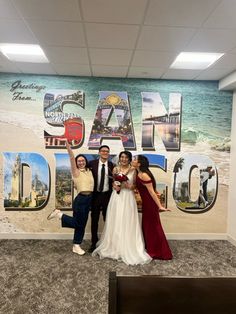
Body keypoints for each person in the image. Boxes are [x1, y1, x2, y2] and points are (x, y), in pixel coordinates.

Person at [92, 151, 151, 265]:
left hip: (128, 197)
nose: (123, 159)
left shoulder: (133, 170)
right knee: (116, 219)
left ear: (129, 159)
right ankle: (114, 246)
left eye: (126, 157)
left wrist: (129, 186)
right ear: (119, 158)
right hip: (116, 197)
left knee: (127, 220)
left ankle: (128, 246)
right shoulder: (115, 169)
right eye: (122, 157)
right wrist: (115, 185)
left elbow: (135, 185)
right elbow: (114, 183)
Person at [47, 141, 94, 255]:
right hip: (81, 200)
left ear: (85, 162)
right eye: (79, 161)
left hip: (89, 200)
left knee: (81, 224)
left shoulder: (89, 171)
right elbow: (72, 157)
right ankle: (59, 214)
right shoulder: (75, 172)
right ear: (76, 163)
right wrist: (68, 148)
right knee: (79, 224)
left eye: (83, 160)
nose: (81, 162)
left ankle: (76, 245)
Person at [132, 155, 172, 260]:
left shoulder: (144, 175)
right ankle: (151, 248)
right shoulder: (138, 172)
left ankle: (160, 252)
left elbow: (152, 192)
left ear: (139, 163)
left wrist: (160, 206)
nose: (133, 160)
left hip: (151, 204)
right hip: (146, 204)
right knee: (148, 227)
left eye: (135, 160)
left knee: (153, 227)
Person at [88, 145, 114, 252]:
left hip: (107, 196)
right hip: (95, 196)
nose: (105, 153)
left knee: (108, 219)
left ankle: (108, 242)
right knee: (94, 220)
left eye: (107, 151)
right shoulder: (92, 164)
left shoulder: (112, 165)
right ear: (99, 152)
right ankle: (94, 242)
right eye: (103, 151)